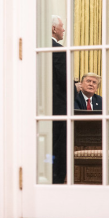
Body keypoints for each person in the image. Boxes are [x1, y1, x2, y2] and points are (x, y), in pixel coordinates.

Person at [51, 15, 67, 184]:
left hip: (42, 107)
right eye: (62, 26)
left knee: (45, 147)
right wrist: (75, 88)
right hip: (59, 108)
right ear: (54, 29)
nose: (64, 30)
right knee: (58, 148)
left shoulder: (38, 47)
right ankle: (56, 179)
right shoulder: (58, 50)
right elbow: (64, 81)